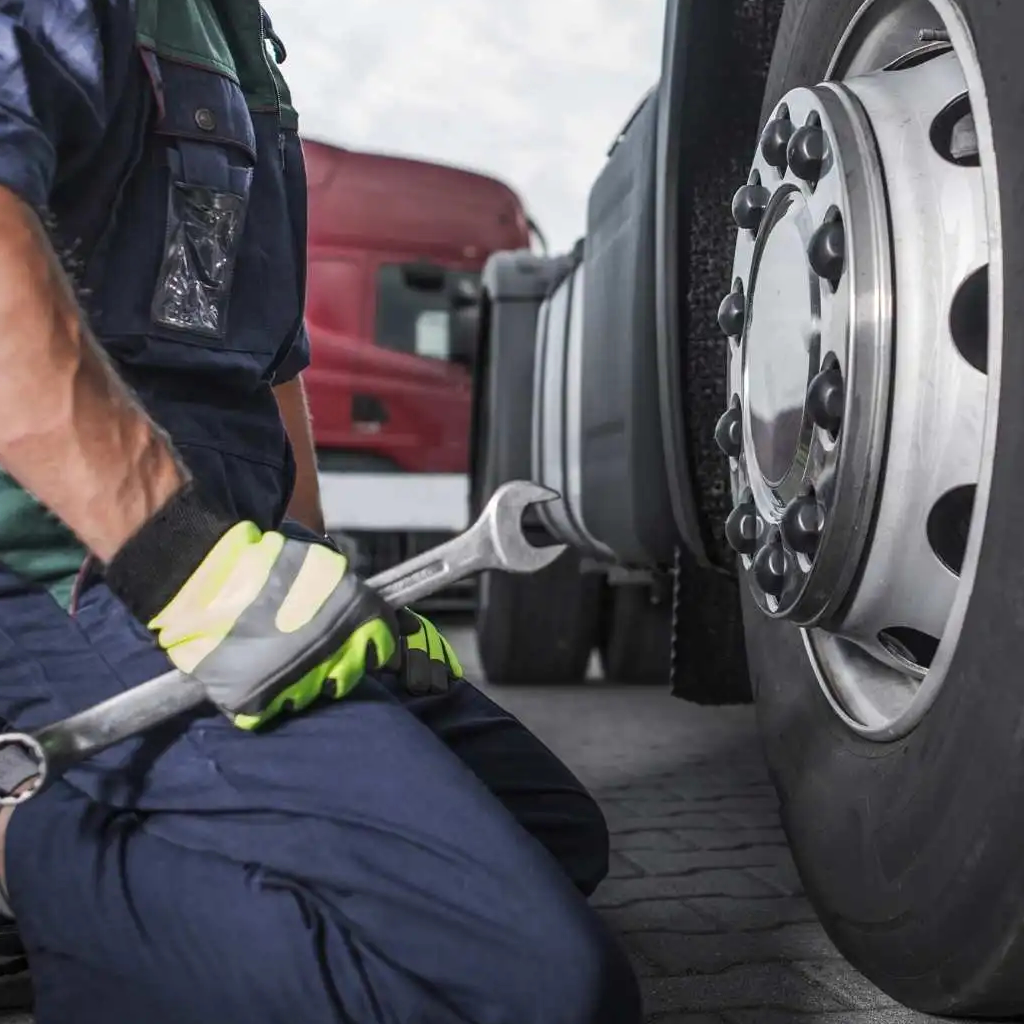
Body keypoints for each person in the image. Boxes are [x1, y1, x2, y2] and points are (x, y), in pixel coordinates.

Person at [0, 2, 643, 1022]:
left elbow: (267, 356)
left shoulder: (235, 29)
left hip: (221, 542)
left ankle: (104, 851)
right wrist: (183, 568)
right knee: (531, 990)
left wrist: (314, 569)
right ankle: (27, 842)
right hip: (76, 567)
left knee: (553, 830)